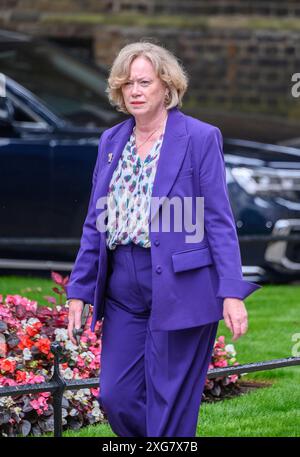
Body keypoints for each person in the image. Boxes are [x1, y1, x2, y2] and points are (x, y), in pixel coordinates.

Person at [66, 41, 262, 437]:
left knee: (169, 401)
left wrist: (231, 291)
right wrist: (80, 289)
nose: (135, 91)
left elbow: (218, 220)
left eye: (144, 82)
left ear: (166, 87)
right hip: (123, 285)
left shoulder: (200, 138)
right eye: (126, 84)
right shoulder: (111, 142)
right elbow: (95, 222)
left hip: (182, 285)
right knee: (115, 396)